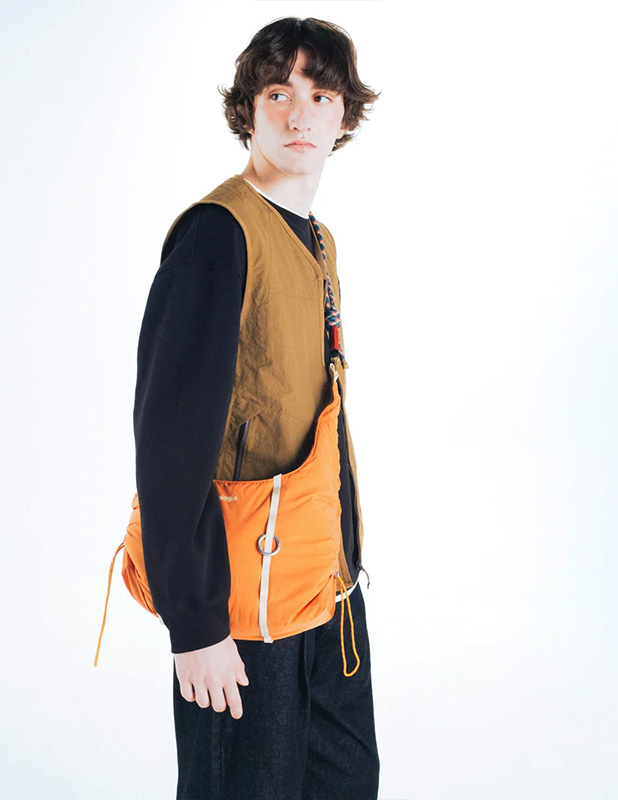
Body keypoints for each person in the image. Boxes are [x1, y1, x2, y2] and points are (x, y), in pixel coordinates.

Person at [132, 16, 380, 800]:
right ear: (249, 109)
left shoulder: (317, 239)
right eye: (278, 93)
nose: (300, 113)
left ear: (344, 115)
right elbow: (170, 441)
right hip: (243, 611)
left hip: (328, 595)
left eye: (321, 95)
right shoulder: (218, 235)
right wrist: (196, 624)